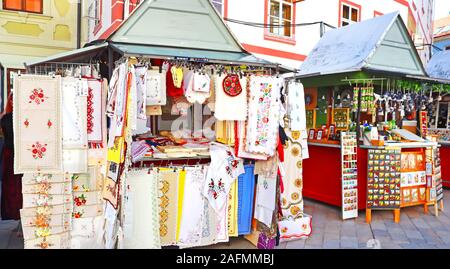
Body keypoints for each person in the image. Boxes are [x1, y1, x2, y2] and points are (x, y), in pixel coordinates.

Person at [0, 92, 23, 220]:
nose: (14, 102)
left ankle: (19, 218)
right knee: (13, 186)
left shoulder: (9, 118)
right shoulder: (7, 118)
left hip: (16, 153)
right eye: (12, 100)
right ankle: (16, 217)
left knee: (18, 186)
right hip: (11, 154)